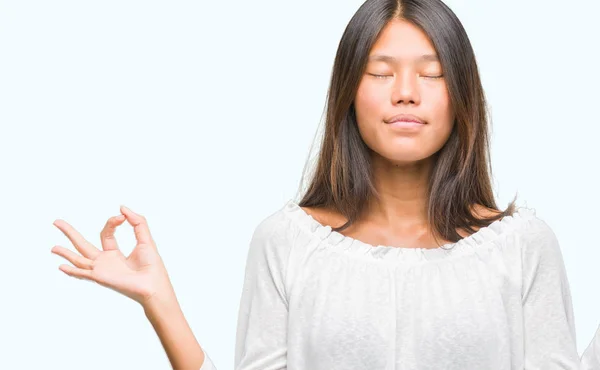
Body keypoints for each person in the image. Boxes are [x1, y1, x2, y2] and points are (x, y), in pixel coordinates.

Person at [50, 0, 600, 369]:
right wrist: (161, 304)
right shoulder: (285, 242)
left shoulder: (523, 246)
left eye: (431, 73)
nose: (405, 92)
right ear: (347, 94)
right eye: (380, 73)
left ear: (462, 95)